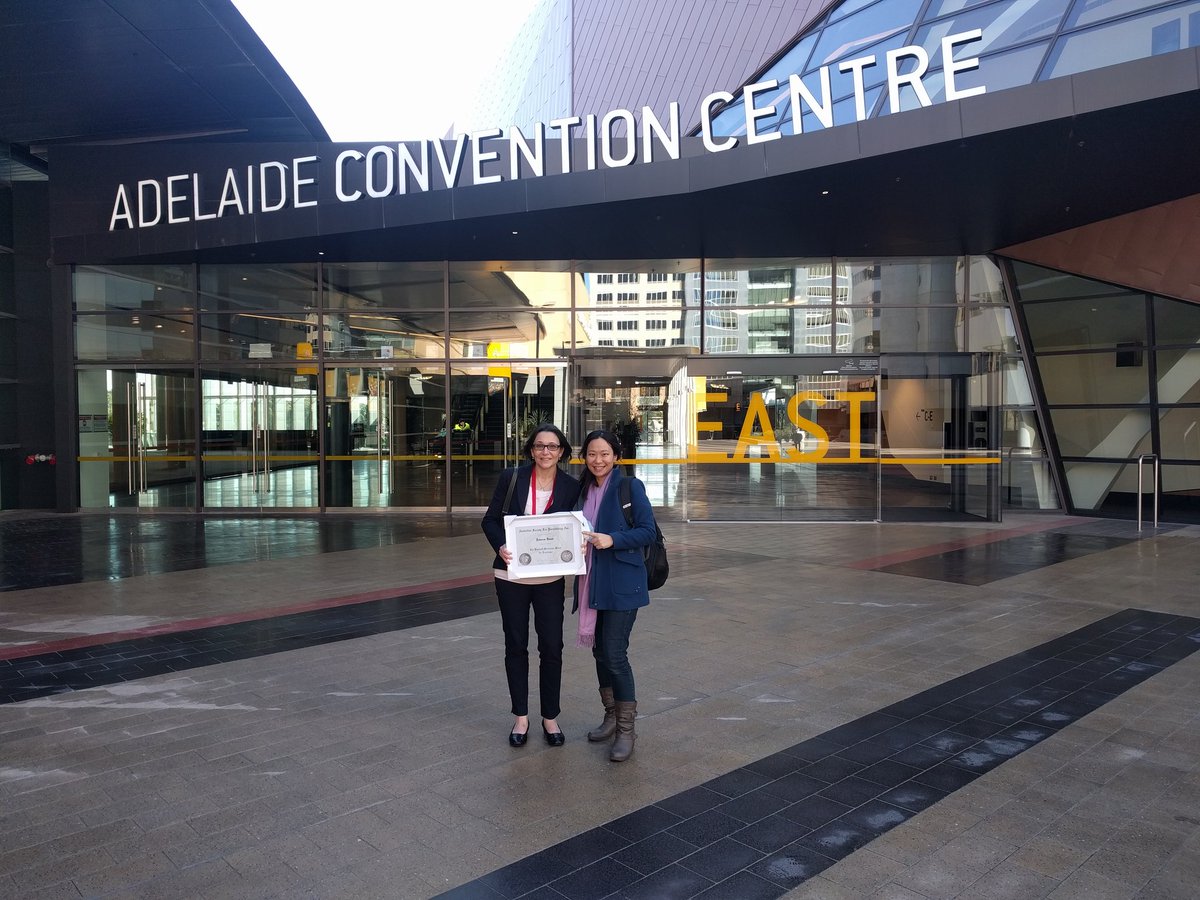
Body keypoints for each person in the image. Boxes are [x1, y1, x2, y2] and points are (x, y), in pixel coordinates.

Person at [481, 424, 581, 748]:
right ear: (531, 449)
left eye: (552, 446)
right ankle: (521, 717)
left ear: (561, 451)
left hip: (550, 579)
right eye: (540, 446)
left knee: (552, 646)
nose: (545, 452)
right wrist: (500, 546)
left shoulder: (571, 486)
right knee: (516, 645)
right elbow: (489, 520)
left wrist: (580, 542)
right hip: (511, 576)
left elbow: (576, 525)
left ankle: (550, 716)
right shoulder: (512, 478)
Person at [574, 429, 657, 762]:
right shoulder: (582, 490)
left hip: (622, 582)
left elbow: (648, 531)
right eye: (592, 454)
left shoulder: (629, 487)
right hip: (591, 581)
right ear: (584, 457)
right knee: (599, 652)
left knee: (614, 653)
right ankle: (610, 716)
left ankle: (626, 730)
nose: (598, 460)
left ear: (616, 457)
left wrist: (612, 539)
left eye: (605, 454)